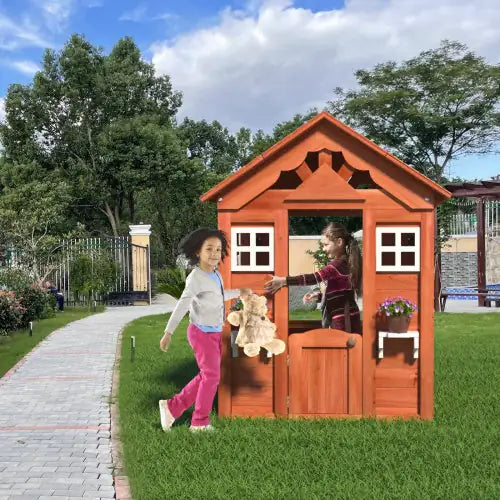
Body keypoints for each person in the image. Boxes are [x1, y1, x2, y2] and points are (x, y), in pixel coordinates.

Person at [158, 228, 251, 433]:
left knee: (207, 375)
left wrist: (239, 292)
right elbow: (183, 304)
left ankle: (172, 407)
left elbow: (218, 296)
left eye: (218, 249)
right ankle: (199, 422)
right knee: (211, 376)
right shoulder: (195, 277)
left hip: (215, 332)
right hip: (200, 333)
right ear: (197, 252)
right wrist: (168, 332)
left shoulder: (216, 275)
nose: (214, 253)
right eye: (209, 249)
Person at [265, 222, 362, 336]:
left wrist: (283, 281)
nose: (324, 249)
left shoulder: (337, 265)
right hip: (348, 317)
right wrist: (320, 297)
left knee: (341, 351)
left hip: (344, 321)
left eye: (326, 245)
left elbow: (313, 278)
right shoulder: (347, 263)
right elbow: (343, 293)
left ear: (339, 242)